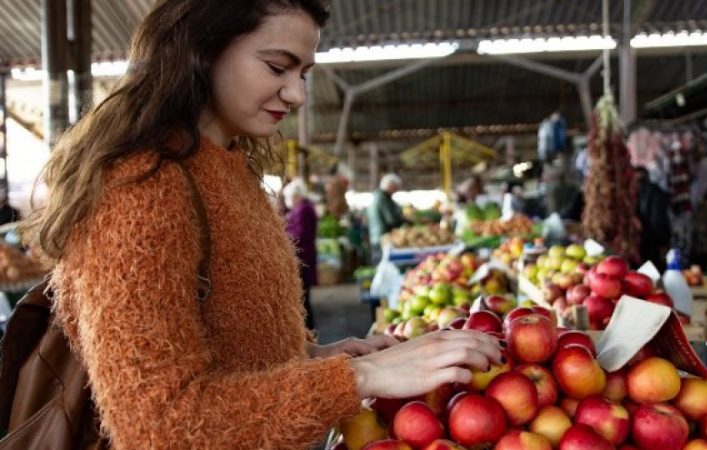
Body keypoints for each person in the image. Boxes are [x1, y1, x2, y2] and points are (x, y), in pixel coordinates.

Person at [23, 1, 502, 448]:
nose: (296, 94)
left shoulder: (227, 168)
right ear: (203, 50)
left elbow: (232, 346)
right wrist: (361, 378)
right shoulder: (141, 188)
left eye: (304, 73)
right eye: (277, 66)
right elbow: (159, 423)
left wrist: (320, 357)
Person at [284, 179, 318, 330]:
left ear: (295, 196)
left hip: (303, 257)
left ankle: (308, 331)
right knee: (304, 297)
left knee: (303, 297)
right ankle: (307, 330)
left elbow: (301, 233)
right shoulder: (304, 207)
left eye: (289, 197)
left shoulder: (303, 209)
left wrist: (282, 236)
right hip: (304, 255)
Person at [635, 167, 671, 269]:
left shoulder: (629, 193)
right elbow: (661, 219)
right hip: (654, 241)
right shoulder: (656, 190)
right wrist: (665, 241)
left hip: (637, 241)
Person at [367, 173, 405, 261]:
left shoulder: (376, 196)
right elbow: (391, 220)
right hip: (383, 239)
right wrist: (405, 221)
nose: (396, 190)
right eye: (396, 187)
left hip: (375, 237)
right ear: (390, 185)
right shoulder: (383, 199)